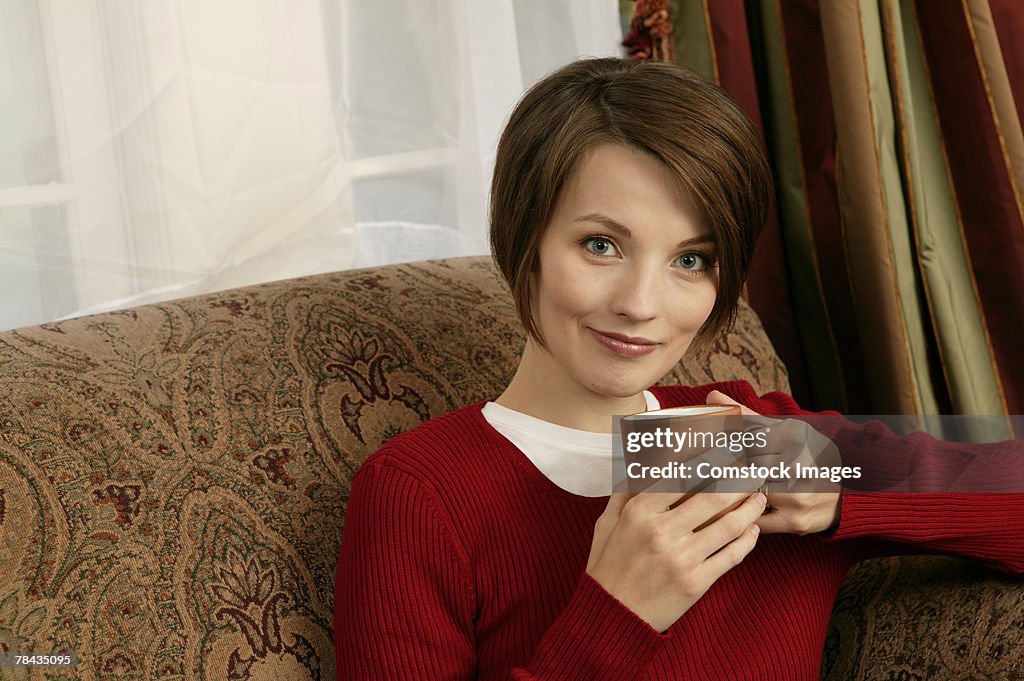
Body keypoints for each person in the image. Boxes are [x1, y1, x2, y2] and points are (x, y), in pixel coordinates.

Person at [333, 57, 1024, 680]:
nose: (640, 304)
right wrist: (618, 609)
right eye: (600, 244)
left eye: (691, 260)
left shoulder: (765, 437)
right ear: (525, 241)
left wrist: (844, 493)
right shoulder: (418, 492)